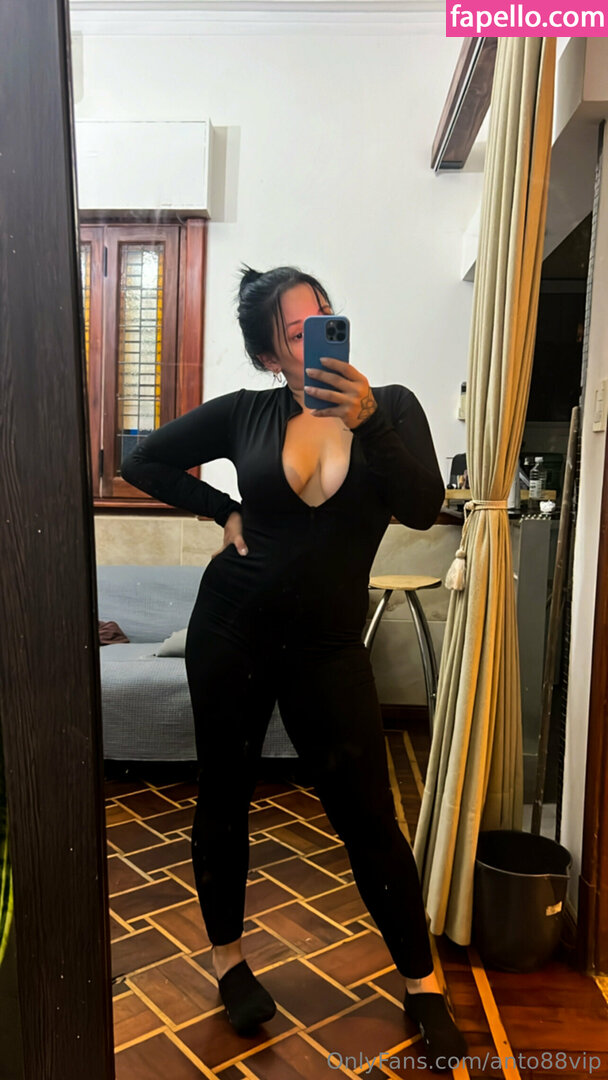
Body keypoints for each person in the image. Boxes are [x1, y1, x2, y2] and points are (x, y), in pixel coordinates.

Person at [121, 266, 468, 1071]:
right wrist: (222, 509)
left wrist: (368, 419)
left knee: (368, 817)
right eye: (296, 330)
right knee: (224, 797)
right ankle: (228, 963)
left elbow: (423, 506)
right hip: (230, 632)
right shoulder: (246, 413)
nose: (317, 336)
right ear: (271, 356)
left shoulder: (392, 406)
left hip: (329, 648)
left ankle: (422, 985)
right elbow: (144, 460)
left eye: (324, 317)